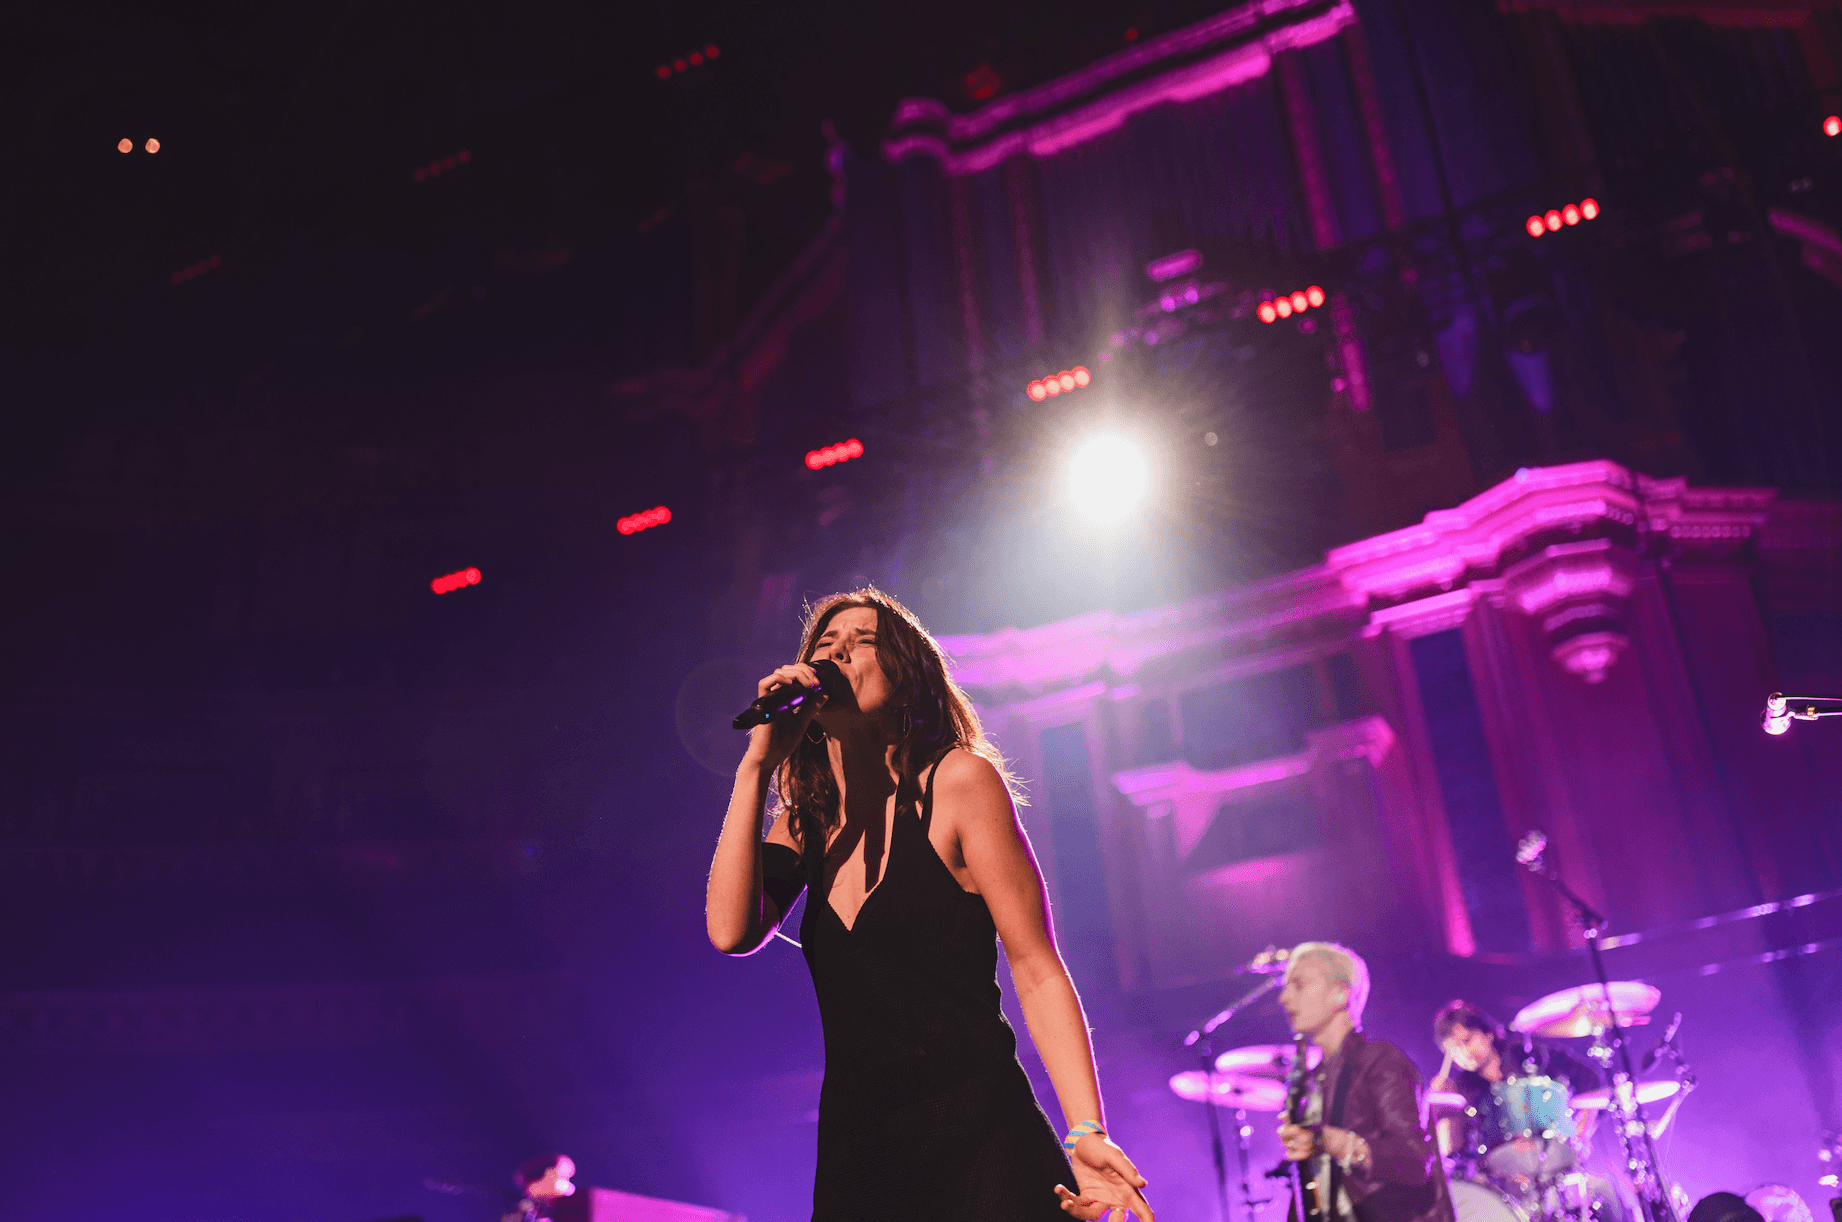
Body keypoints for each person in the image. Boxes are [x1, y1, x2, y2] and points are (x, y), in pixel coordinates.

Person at [705, 588, 1153, 1222]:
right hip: (860, 1148)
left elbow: (1036, 966)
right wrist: (756, 767)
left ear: (909, 674)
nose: (838, 654)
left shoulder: (960, 782)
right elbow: (730, 931)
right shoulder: (808, 823)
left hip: (979, 1127)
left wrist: (1086, 1133)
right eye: (825, 647)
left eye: (862, 642)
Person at [1276, 941, 1453, 1222]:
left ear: (1340, 994)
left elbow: (1416, 1161)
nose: (1284, 998)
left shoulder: (1380, 1062)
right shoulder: (1310, 1081)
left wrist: (1333, 1142)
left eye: (1298, 984)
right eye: (1285, 987)